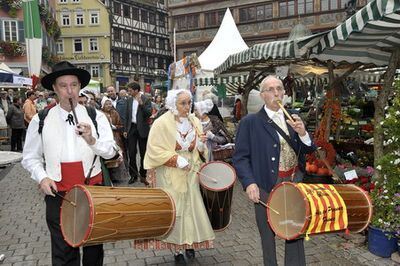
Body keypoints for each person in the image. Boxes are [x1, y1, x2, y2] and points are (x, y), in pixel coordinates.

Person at [21, 61, 116, 265]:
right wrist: (42, 177)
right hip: (59, 195)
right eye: (63, 86)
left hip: (93, 192)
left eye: (74, 85)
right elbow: (30, 157)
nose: (69, 91)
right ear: (54, 88)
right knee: (63, 252)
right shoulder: (41, 119)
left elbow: (110, 152)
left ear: (80, 87)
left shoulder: (95, 116)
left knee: (93, 250)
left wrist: (91, 140)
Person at [233, 75, 317, 266]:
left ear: (284, 93)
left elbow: (309, 149)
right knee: (267, 234)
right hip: (265, 184)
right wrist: (249, 183)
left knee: (295, 231)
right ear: (262, 95)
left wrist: (303, 133)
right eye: (270, 89)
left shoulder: (294, 116)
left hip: (294, 182)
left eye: (279, 88)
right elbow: (240, 157)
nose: (276, 93)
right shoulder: (250, 122)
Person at [134, 89, 215, 264]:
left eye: (189, 102)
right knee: (175, 210)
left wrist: (200, 146)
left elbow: (200, 150)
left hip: (190, 172)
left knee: (190, 208)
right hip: (169, 173)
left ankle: (189, 243)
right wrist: (176, 159)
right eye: (183, 103)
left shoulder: (195, 121)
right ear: (173, 105)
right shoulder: (161, 123)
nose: (188, 107)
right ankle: (177, 250)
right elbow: (154, 149)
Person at [123, 82, 152, 185]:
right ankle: (133, 175)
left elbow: (148, 114)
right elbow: (127, 115)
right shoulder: (129, 100)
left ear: (136, 90)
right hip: (132, 128)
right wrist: (126, 130)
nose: (129, 92)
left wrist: (141, 104)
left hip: (142, 129)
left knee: (144, 153)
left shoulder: (146, 99)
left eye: (130, 90)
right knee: (131, 153)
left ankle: (143, 175)